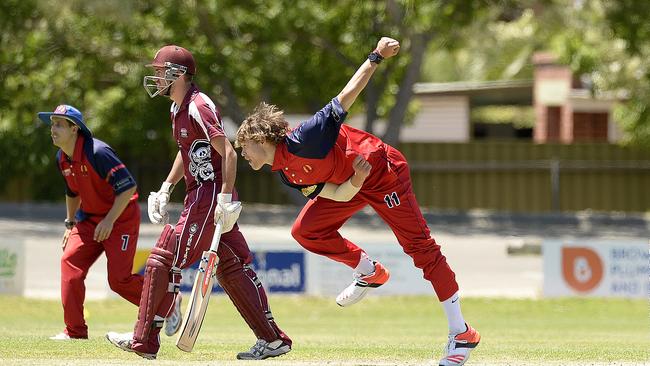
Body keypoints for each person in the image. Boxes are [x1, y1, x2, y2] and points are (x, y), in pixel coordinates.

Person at [235, 37, 481, 366]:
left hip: (384, 172)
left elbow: (347, 95)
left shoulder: (305, 137)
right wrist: (355, 181)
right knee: (305, 230)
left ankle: (461, 332)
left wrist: (376, 56)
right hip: (354, 182)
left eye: (243, 148)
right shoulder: (287, 174)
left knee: (421, 249)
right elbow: (338, 195)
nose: (243, 155)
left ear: (258, 138)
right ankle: (369, 271)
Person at [106, 45, 291, 360]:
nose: (157, 77)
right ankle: (273, 339)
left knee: (163, 257)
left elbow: (228, 152)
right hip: (199, 195)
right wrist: (166, 187)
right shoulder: (176, 109)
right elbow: (186, 150)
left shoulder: (198, 105)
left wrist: (225, 198)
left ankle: (144, 340)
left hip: (209, 196)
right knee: (232, 267)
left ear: (178, 74)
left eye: (161, 71)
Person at [38, 104, 154, 340]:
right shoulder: (62, 158)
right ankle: (75, 332)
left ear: (74, 129)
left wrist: (110, 221)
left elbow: (128, 186)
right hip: (89, 220)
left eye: (59, 124)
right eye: (52, 124)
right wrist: (70, 223)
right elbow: (72, 193)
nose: (53, 129)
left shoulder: (98, 152)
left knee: (119, 281)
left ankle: (167, 305)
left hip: (120, 218)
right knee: (69, 263)